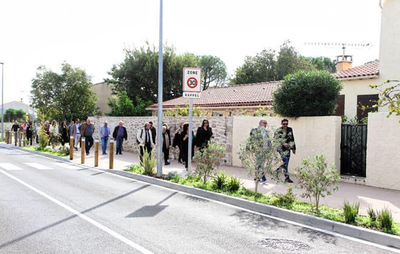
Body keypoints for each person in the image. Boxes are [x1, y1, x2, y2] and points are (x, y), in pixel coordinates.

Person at [250, 119, 270, 184]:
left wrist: (270, 148)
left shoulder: (266, 131)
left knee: (259, 163)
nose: (266, 124)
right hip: (259, 150)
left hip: (265, 150)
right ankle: (263, 177)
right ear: (260, 123)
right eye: (264, 123)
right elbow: (251, 139)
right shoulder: (255, 130)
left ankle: (257, 177)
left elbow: (268, 140)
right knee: (260, 163)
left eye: (266, 123)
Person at [275, 119, 296, 183]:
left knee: (286, 164)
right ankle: (278, 171)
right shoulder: (278, 130)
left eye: (286, 124)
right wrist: (283, 143)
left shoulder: (290, 129)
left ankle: (286, 178)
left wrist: (293, 148)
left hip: (288, 149)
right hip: (281, 149)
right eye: (284, 124)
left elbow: (292, 138)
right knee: (285, 162)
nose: (285, 125)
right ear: (281, 124)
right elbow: (275, 139)